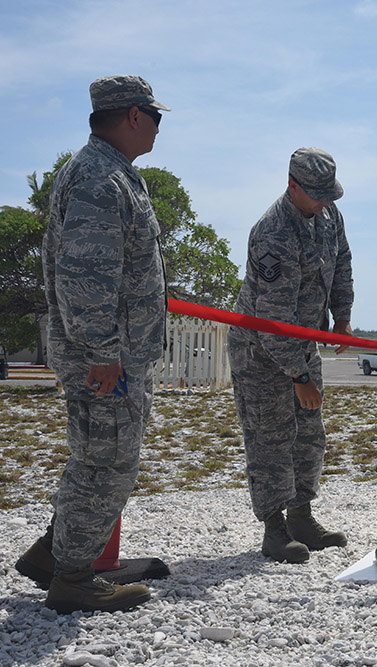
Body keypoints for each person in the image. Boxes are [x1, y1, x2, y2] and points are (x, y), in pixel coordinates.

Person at [14, 75, 169, 612]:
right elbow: (86, 274)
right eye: (156, 115)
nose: (157, 126)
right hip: (105, 358)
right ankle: (74, 579)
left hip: (114, 353)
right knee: (107, 465)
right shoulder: (101, 180)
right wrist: (104, 351)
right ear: (133, 115)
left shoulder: (108, 174)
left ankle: (49, 556)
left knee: (94, 457)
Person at [228, 147, 354, 563]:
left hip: (300, 341)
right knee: (270, 437)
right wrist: (299, 378)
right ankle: (274, 529)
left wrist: (342, 317)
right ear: (291, 186)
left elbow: (343, 263)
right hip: (260, 348)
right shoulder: (273, 233)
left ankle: (302, 516)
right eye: (315, 195)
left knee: (309, 434)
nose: (323, 204)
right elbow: (272, 316)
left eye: (327, 195)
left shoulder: (328, 214)